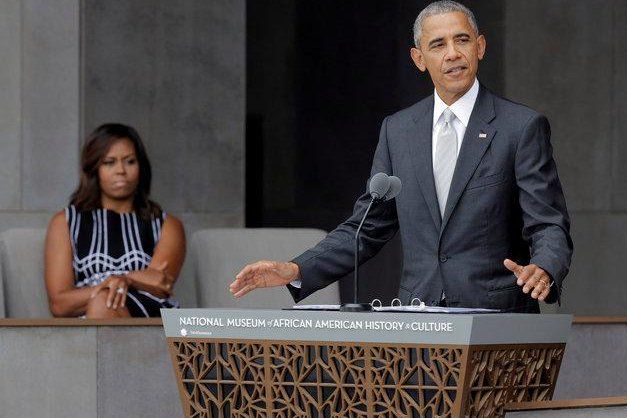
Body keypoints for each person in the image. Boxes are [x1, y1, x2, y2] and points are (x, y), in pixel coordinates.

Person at [230, 1, 572, 313]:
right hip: (418, 323)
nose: (452, 53)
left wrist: (544, 266)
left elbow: (548, 223)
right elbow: (365, 228)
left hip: (497, 321)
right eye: (438, 45)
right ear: (419, 59)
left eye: (462, 40)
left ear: (479, 47)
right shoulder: (399, 130)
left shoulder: (520, 127)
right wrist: (296, 269)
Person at [45, 123, 185, 318]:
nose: (120, 170)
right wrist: (113, 286)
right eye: (109, 162)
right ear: (94, 168)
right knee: (104, 301)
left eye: (129, 161)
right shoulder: (66, 222)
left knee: (105, 302)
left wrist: (124, 280)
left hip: (149, 318)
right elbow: (60, 304)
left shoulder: (166, 224)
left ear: (141, 166)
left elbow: (161, 284)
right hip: (87, 318)